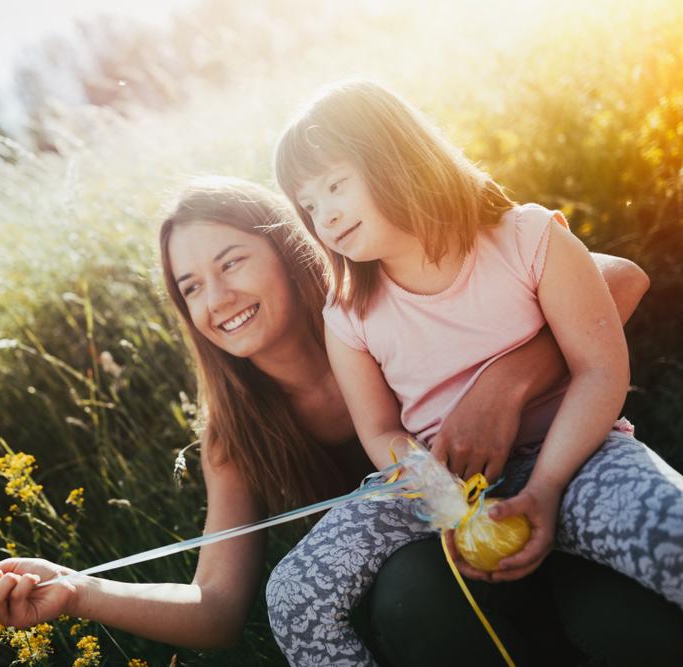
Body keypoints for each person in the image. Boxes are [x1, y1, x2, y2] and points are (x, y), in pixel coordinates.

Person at [0, 176, 653, 660]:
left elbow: (619, 278)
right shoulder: (237, 432)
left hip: (545, 507)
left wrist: (505, 380)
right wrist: (77, 590)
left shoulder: (379, 309)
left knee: (629, 623)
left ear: (288, 251)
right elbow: (216, 606)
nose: (217, 297)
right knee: (412, 586)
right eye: (191, 287)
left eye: (232, 262)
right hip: (438, 609)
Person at [266, 79, 683, 666]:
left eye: (336, 185)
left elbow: (597, 370)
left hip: (573, 453)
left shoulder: (528, 239)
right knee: (292, 595)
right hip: (439, 486)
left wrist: (546, 486)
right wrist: (443, 495)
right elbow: (380, 431)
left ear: (398, 157)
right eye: (308, 204)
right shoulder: (349, 313)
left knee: (673, 534)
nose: (325, 215)